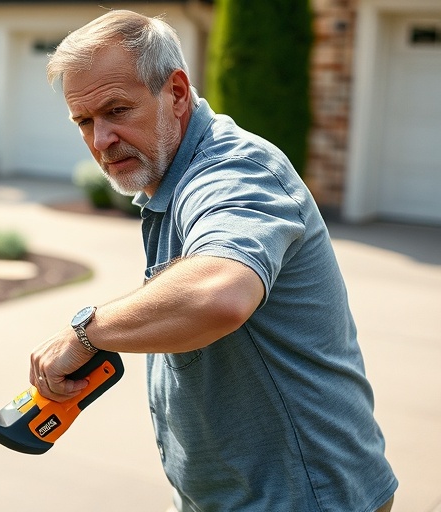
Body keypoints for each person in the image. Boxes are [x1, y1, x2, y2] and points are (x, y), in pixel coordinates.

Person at [29, 10, 397, 512]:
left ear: (177, 93)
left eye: (117, 110)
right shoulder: (172, 179)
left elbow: (218, 295)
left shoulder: (235, 172)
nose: (100, 140)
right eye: (84, 121)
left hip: (307, 498)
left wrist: (85, 333)